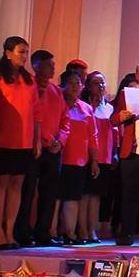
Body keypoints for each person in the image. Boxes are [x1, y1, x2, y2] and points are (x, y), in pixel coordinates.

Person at [0, 36, 41, 249]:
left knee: (16, 185)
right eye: (20, 51)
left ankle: (9, 232)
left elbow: (36, 113)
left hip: (23, 141)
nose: (25, 56)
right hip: (2, 139)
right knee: (0, 184)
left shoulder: (29, 80)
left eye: (26, 52)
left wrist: (37, 139)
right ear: (8, 53)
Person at [17, 50, 68, 248]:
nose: (53, 68)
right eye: (49, 64)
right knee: (27, 191)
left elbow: (65, 120)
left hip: (53, 149)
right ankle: (22, 231)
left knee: (49, 192)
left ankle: (43, 232)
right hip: (32, 147)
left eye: (53, 65)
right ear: (36, 66)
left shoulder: (56, 91)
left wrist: (60, 141)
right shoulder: (27, 85)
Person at [112, 60, 139, 245]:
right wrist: (121, 117)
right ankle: (127, 233)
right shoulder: (126, 94)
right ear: (136, 75)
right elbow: (113, 119)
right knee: (129, 195)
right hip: (131, 151)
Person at [56, 70, 98, 244]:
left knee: (73, 197)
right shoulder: (58, 104)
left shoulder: (86, 108)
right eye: (71, 83)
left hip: (78, 159)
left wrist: (94, 160)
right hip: (58, 157)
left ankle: (70, 233)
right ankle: (52, 231)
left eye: (78, 83)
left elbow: (93, 136)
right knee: (56, 196)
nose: (74, 87)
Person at [82, 70, 116, 243]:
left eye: (102, 82)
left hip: (104, 157)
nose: (101, 86)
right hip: (86, 156)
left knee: (96, 195)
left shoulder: (109, 108)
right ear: (88, 86)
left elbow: (114, 134)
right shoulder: (84, 107)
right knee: (84, 195)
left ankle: (92, 229)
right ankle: (82, 229)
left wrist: (114, 154)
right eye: (96, 83)